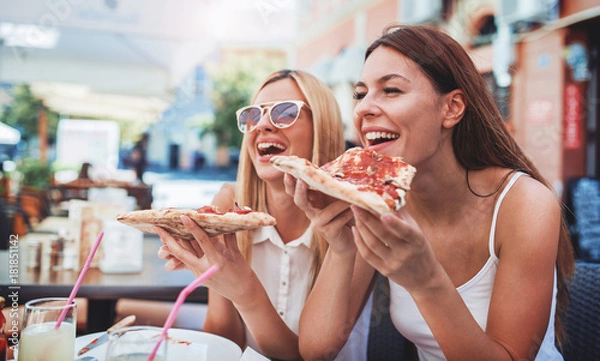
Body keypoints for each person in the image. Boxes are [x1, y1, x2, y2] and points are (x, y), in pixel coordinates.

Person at [286, 25, 575, 361]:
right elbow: (316, 349)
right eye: (360, 94)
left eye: (391, 90)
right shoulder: (378, 203)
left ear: (451, 108)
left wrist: (426, 281)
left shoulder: (525, 203)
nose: (364, 109)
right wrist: (340, 246)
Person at [155, 69, 372, 360]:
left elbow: (312, 357)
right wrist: (213, 279)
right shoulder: (227, 205)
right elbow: (222, 344)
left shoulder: (356, 218)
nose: (264, 125)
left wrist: (246, 292)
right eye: (254, 115)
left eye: (285, 113)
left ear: (322, 127)